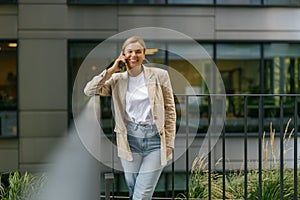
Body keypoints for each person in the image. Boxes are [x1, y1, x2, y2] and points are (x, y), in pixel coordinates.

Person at [84, 36, 176, 200]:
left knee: (143, 192)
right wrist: (112, 69)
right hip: (130, 139)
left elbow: (170, 110)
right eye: (130, 52)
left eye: (138, 52)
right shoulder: (117, 79)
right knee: (135, 189)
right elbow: (89, 90)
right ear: (123, 54)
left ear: (144, 54)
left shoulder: (160, 75)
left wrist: (169, 142)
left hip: (156, 139)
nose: (134, 55)